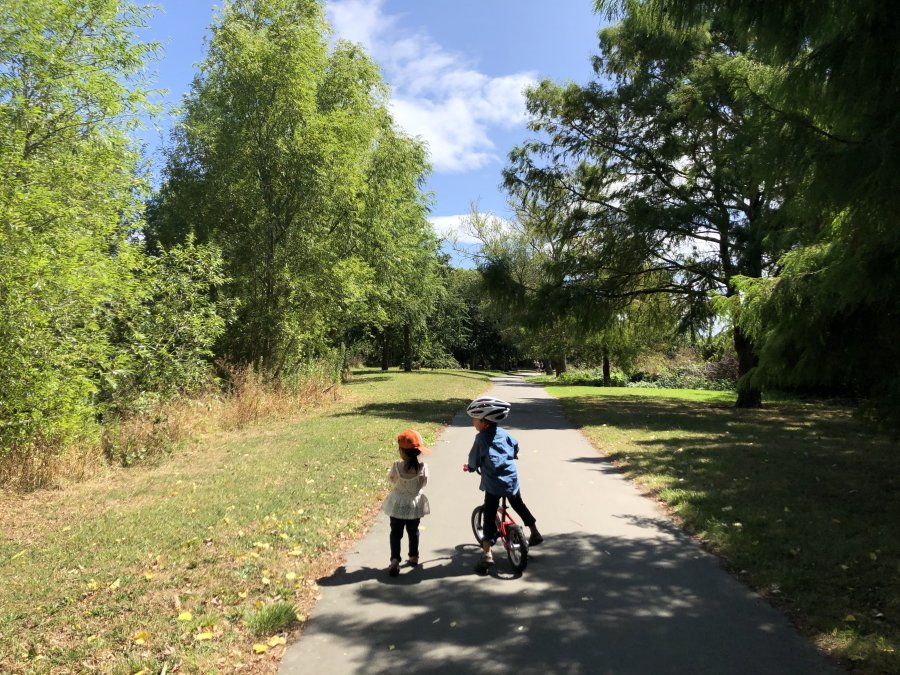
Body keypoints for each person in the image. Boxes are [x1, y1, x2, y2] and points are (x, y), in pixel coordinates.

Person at [465, 397, 542, 569]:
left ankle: (487, 553)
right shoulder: (505, 434)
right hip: (511, 480)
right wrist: (511, 455)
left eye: (474, 419)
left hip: (493, 485)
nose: (473, 422)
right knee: (519, 505)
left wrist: (471, 467)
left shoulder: (481, 439)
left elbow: (473, 459)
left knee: (490, 515)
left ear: (484, 422)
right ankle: (535, 532)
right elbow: (515, 447)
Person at [381, 429, 431, 577]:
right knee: (413, 531)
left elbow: (391, 479)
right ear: (418, 452)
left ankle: (395, 560)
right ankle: (414, 556)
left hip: (397, 505)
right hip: (413, 506)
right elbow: (424, 483)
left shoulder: (396, 467)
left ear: (401, 451)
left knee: (395, 533)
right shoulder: (422, 468)